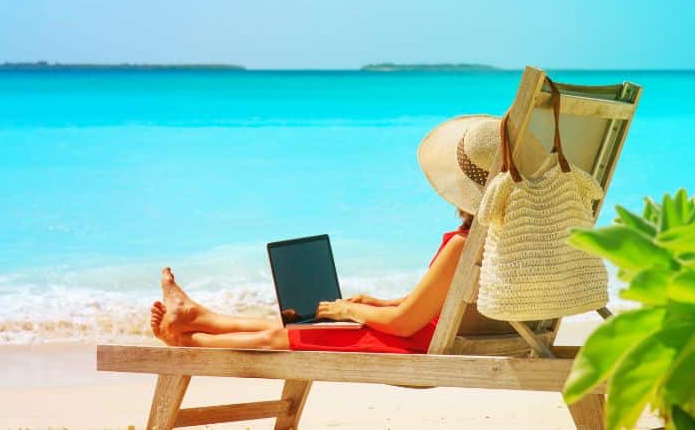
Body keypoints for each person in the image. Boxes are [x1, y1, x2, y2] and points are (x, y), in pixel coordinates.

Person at [150, 115, 543, 353]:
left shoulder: (461, 244)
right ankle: (198, 316)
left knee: (280, 338)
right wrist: (380, 303)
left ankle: (187, 341)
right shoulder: (505, 236)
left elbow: (407, 324)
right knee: (301, 326)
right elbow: (439, 302)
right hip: (431, 334)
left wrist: (350, 310)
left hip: (417, 344)